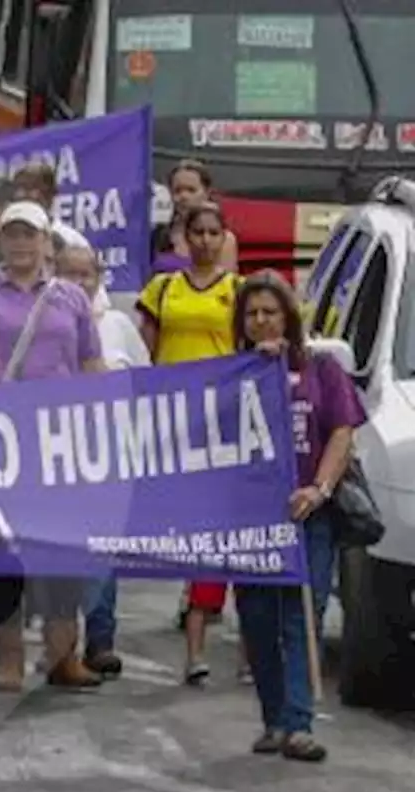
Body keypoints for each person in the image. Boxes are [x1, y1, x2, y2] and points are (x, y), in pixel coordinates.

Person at [0, 201, 106, 692]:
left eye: (31, 235)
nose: (22, 244)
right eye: (12, 235)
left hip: (62, 443)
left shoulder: (71, 298)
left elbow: (91, 364)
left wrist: (103, 426)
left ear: (48, 242)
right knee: (5, 555)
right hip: (1, 441)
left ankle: (63, 653)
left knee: (63, 553)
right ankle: (9, 656)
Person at [232, 270, 363, 762]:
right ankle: (274, 719)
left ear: (289, 315)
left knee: (301, 615)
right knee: (259, 620)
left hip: (309, 516)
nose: (262, 321)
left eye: (270, 311)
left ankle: (300, 723)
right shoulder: (232, 373)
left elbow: (342, 432)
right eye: (252, 314)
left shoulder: (322, 370)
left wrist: (319, 488)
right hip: (251, 523)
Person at [136, 201, 248, 686]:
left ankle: (232, 649)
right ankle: (195, 639)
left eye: (212, 233)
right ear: (183, 236)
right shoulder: (162, 289)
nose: (204, 241)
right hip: (171, 422)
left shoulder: (240, 292)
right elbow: (143, 350)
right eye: (196, 232)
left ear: (224, 238)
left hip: (223, 425)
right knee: (184, 526)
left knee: (222, 529)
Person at [55, 242, 149, 676]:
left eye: (85, 275)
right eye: (69, 275)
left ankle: (100, 640)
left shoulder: (118, 326)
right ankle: (61, 647)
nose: (78, 284)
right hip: (57, 456)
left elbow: (147, 385)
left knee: (103, 553)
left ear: (98, 278)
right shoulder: (46, 325)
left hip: (110, 456)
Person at [152, 159, 239, 275]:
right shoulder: (159, 235)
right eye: (177, 191)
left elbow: (226, 286)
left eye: (191, 190)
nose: (183, 196)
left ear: (207, 192)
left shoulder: (223, 238)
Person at [11, 162, 90, 253]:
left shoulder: (71, 241)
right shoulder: (6, 240)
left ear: (50, 195)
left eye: (29, 188)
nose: (21, 194)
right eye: (17, 188)